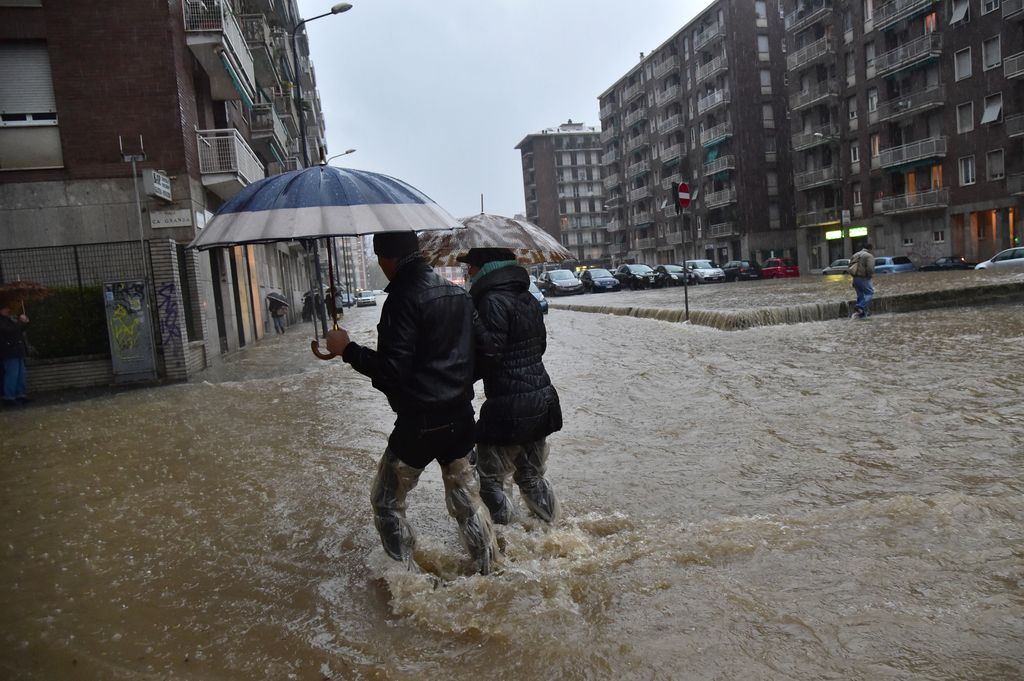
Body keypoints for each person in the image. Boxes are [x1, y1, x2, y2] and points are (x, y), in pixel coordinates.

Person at [323, 232, 498, 575]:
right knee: (467, 501)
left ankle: (407, 581)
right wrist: (455, 386)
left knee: (386, 502)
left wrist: (347, 350)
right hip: (461, 419)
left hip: (418, 424)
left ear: (385, 259)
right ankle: (491, 568)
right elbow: (489, 354)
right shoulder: (458, 293)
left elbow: (392, 371)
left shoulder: (401, 299)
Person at [460, 248, 562, 526]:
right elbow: (540, 346)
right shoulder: (527, 298)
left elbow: (490, 353)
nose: (467, 273)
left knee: (489, 479)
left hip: (508, 407)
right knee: (531, 476)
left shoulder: (490, 301)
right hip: (541, 398)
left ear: (484, 267)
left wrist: (471, 318)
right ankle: (550, 533)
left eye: (470, 267)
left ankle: (505, 545)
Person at [0, 301, 31, 406]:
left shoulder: (8, 320)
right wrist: (21, 322)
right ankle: (9, 397)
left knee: (20, 374)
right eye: (6, 308)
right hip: (9, 351)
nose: (8, 310)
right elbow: (11, 331)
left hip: (16, 351)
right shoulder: (2, 321)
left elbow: (17, 330)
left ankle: (20, 394)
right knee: (12, 374)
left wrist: (24, 323)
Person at [847, 242, 876, 319]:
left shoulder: (855, 254)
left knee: (860, 295)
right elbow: (870, 268)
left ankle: (861, 314)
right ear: (871, 249)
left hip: (855, 279)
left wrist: (854, 276)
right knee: (870, 292)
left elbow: (850, 266)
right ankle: (860, 306)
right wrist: (869, 276)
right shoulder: (869, 256)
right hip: (863, 278)